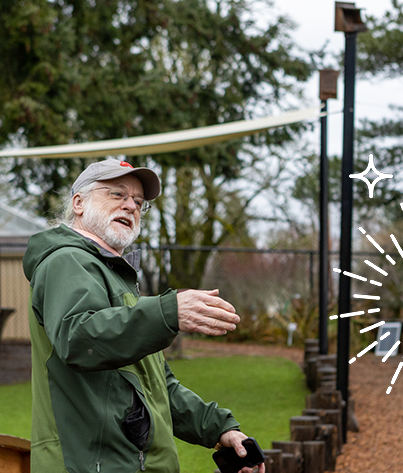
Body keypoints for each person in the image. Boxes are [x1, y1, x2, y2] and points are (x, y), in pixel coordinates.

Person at [23, 159, 266, 473]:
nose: (130, 206)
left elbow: (156, 386)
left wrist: (219, 428)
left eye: (138, 202)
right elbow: (78, 337)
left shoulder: (116, 277)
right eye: (117, 195)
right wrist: (167, 311)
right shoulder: (67, 261)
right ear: (79, 203)